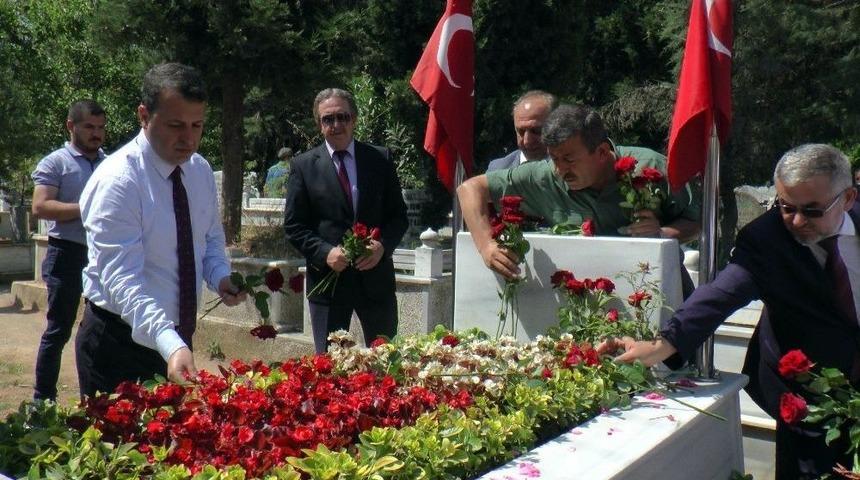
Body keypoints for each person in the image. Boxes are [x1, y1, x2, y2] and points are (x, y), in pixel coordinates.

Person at [603, 144, 859, 479]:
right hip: (808, 397)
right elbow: (721, 294)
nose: (797, 221)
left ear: (848, 199)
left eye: (812, 210)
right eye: (786, 207)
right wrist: (661, 345)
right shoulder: (767, 239)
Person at [75, 63, 246, 397]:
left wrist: (221, 276)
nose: (189, 138)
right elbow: (122, 281)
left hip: (173, 342)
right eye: (176, 125)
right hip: (118, 346)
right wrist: (170, 343)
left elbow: (209, 238)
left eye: (197, 125)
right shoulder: (118, 182)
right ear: (144, 115)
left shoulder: (199, 171)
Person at [457, 103, 701, 282]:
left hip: (657, 295)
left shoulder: (653, 167)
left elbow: (699, 221)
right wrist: (487, 245)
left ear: (602, 152)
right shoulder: (544, 176)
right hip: (582, 307)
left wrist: (661, 233)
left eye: (569, 159)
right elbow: (470, 188)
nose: (560, 170)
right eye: (554, 159)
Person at [284, 88, 408, 353]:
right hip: (329, 283)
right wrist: (325, 252)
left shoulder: (380, 159)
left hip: (375, 282)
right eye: (328, 119)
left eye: (343, 117)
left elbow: (398, 216)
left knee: (385, 361)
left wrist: (382, 247)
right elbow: (294, 226)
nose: (336, 124)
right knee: (329, 367)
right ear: (319, 124)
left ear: (354, 119)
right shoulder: (303, 166)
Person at [30, 100, 107, 401]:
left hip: (102, 255)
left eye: (101, 128)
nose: (96, 133)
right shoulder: (56, 162)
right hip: (66, 254)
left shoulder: (110, 163)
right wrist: (87, 209)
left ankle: (99, 399)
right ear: (71, 126)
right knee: (59, 331)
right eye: (89, 127)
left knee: (102, 330)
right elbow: (40, 206)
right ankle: (43, 401)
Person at [486, 90, 556, 171]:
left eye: (536, 131)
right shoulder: (498, 170)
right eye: (521, 132)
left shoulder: (566, 168)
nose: (527, 141)